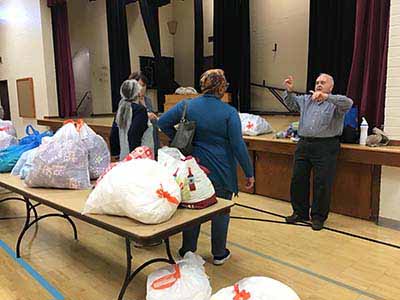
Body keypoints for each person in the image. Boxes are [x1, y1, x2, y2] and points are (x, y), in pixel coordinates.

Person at [158, 69, 255, 265]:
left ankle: (187, 251)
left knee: (193, 207)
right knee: (220, 210)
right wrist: (249, 172)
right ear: (221, 88)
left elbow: (162, 122)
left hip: (193, 167)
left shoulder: (186, 105)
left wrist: (182, 141)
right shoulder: (229, 112)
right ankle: (219, 253)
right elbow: (238, 145)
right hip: (222, 169)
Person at [283, 74, 353, 231]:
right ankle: (300, 213)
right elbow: (291, 103)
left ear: (330, 87)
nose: (319, 85)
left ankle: (318, 217)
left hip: (326, 145)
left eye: (323, 83)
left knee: (322, 183)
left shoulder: (336, 103)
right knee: (298, 179)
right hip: (304, 144)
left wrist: (326, 97)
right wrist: (288, 91)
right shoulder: (307, 100)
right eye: (317, 83)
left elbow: (348, 103)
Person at [110, 79, 148, 160]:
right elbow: (133, 134)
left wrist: (115, 152)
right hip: (137, 156)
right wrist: (134, 157)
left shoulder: (121, 108)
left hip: (123, 155)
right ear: (137, 93)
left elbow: (114, 132)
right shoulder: (140, 110)